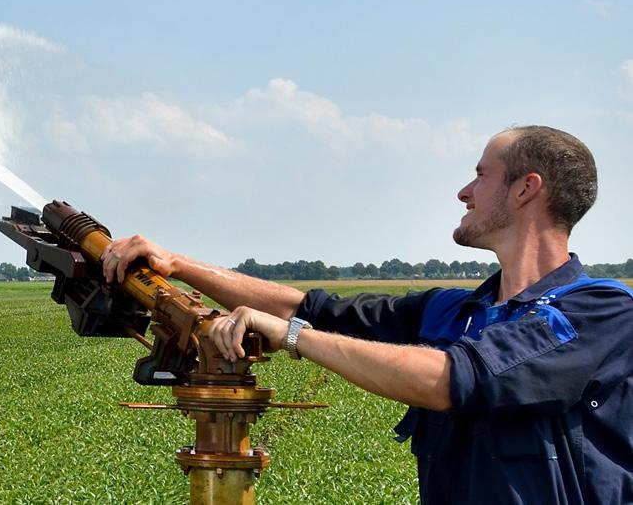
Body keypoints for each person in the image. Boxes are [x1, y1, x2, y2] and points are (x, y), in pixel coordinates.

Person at [101, 125, 633, 504]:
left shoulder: (600, 313)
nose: (464, 192)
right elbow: (310, 307)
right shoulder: (454, 310)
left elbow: (453, 379)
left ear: (525, 188)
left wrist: (292, 337)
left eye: (480, 176)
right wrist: (177, 264)